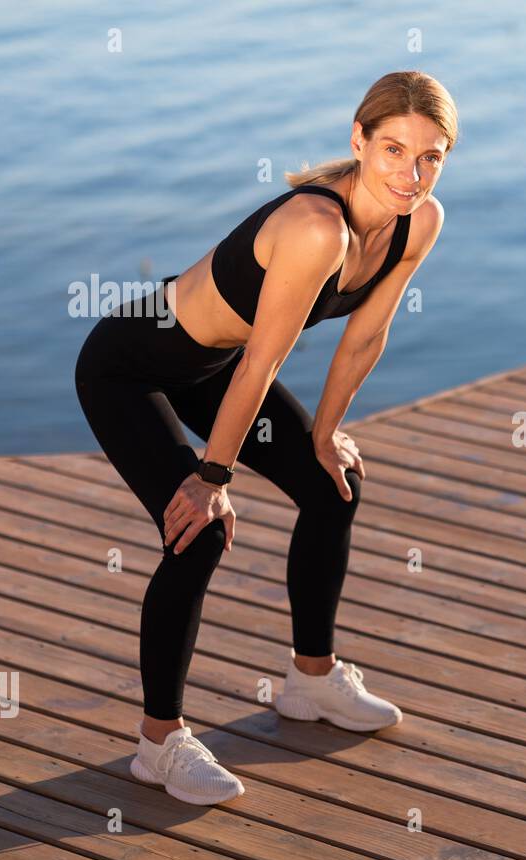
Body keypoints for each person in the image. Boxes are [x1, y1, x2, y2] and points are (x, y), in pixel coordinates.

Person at [73, 70, 454, 806]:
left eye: (430, 156)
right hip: (130, 366)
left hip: (212, 367)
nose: (412, 173)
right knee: (199, 532)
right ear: (359, 140)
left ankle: (311, 682)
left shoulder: (420, 220)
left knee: (332, 485)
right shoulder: (318, 227)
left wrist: (329, 433)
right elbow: (264, 360)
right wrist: (210, 479)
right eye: (395, 150)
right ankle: (159, 744)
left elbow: (366, 334)